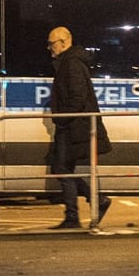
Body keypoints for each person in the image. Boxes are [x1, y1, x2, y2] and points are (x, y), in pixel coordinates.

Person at [44, 26, 111, 230]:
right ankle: (94, 202)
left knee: (62, 168)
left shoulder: (71, 64)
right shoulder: (69, 62)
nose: (49, 48)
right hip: (73, 126)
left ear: (64, 42)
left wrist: (62, 119)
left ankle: (75, 215)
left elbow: (77, 97)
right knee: (64, 168)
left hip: (74, 127)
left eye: (52, 43)